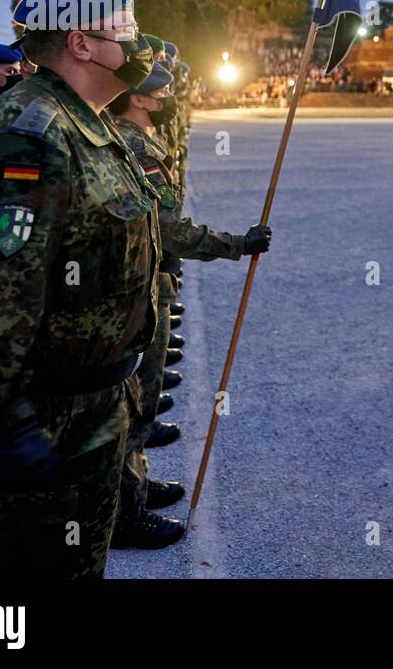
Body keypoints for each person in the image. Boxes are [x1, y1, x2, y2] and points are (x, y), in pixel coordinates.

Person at [0, 0, 160, 578]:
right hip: (38, 421)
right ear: (81, 42)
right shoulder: (27, 134)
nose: (140, 47)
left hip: (89, 407)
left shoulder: (88, 123)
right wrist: (5, 428)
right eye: (125, 36)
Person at [108, 62, 272, 548]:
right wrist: (237, 244)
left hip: (148, 277)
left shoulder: (137, 139)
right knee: (134, 403)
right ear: (139, 98)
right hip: (138, 284)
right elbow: (170, 229)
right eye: (162, 92)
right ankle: (124, 514)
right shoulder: (132, 146)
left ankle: (133, 488)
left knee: (140, 399)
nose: (170, 97)